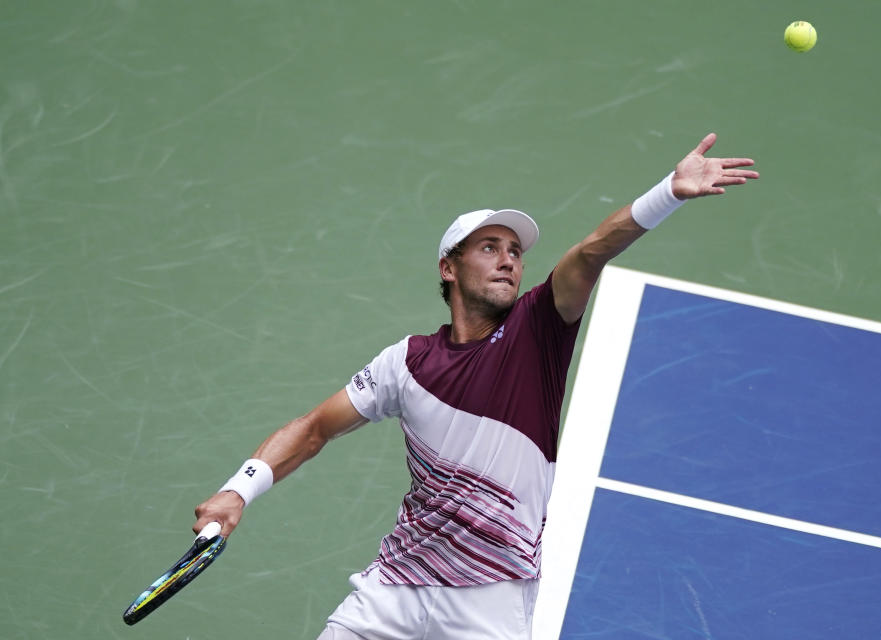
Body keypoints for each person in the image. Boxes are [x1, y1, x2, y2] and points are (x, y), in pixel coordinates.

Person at [193, 133, 758, 639]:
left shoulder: (538, 329)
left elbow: (590, 252)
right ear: (448, 267)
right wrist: (237, 491)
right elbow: (314, 429)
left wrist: (668, 192)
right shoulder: (407, 363)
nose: (509, 260)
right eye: (489, 248)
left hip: (491, 601)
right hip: (396, 586)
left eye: (515, 251)